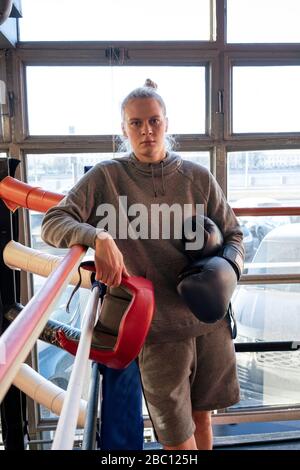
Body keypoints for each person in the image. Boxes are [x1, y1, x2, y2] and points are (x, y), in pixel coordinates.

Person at [41, 79, 244, 450]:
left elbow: (234, 235)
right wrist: (97, 237)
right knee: (176, 439)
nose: (146, 130)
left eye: (154, 120)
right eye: (136, 123)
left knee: (202, 421)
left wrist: (226, 271)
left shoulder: (197, 178)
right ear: (123, 129)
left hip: (209, 324)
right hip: (157, 333)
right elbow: (53, 223)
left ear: (167, 122)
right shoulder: (106, 177)